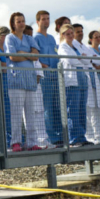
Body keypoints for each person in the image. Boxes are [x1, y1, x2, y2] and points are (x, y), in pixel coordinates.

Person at [5, 12, 48, 151]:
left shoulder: (29, 38)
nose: (21, 24)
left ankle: (31, 142)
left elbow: (36, 56)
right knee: (16, 113)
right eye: (18, 21)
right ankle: (16, 142)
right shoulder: (9, 38)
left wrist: (22, 54)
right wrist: (28, 55)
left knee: (31, 113)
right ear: (13, 24)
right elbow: (12, 57)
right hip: (16, 80)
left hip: (29, 81)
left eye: (23, 21)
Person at [57, 24, 91, 146]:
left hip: (82, 80)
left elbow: (87, 61)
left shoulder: (76, 46)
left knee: (82, 110)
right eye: (67, 34)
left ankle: (82, 137)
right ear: (62, 35)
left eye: (72, 33)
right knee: (73, 111)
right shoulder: (62, 47)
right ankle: (74, 139)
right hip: (72, 83)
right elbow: (71, 61)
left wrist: (80, 58)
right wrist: (81, 59)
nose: (70, 36)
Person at [33, 11, 63, 147]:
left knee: (57, 106)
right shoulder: (36, 38)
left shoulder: (51, 38)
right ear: (38, 21)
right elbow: (36, 57)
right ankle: (50, 137)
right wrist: (44, 66)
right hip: (45, 77)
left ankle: (59, 135)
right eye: (43, 19)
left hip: (55, 76)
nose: (46, 21)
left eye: (48, 19)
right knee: (48, 107)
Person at [76, 30, 100, 144]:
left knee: (97, 109)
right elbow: (82, 59)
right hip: (85, 79)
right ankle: (90, 136)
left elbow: (99, 60)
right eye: (77, 32)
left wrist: (88, 58)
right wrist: (89, 59)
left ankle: (98, 135)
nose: (80, 33)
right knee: (88, 110)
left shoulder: (86, 48)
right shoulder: (74, 46)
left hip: (94, 80)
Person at [0, 26, 12, 146]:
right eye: (5, 35)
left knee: (10, 115)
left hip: (10, 84)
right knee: (1, 114)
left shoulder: (8, 50)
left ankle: (12, 141)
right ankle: (4, 142)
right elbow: (2, 66)